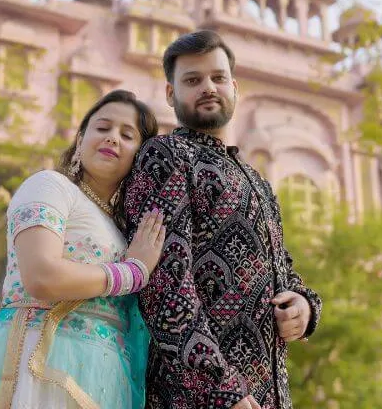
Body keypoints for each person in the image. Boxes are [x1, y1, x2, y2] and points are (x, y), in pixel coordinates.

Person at [123, 30, 323, 409]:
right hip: (196, 397)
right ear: (171, 94)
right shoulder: (166, 157)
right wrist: (224, 390)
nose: (208, 88)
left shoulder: (257, 181)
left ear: (234, 86)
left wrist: (305, 306)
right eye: (192, 80)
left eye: (217, 78)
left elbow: (284, 272)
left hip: (267, 394)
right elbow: (166, 290)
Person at [0, 89, 165, 409]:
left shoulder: (123, 228)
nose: (113, 138)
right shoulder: (50, 186)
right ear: (80, 140)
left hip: (105, 375)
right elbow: (41, 276)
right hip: (42, 360)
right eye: (102, 128)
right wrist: (133, 271)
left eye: (127, 134)